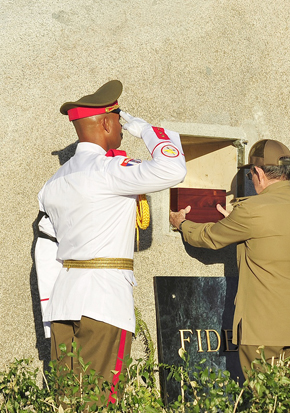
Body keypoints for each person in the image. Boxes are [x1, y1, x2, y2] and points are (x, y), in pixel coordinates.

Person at [35, 80, 187, 403]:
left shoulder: (53, 184)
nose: (121, 126)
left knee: (67, 402)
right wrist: (145, 129)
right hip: (103, 303)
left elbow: (45, 249)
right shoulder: (110, 169)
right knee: (102, 401)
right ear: (106, 123)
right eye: (119, 119)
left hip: (64, 304)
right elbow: (173, 168)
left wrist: (49, 313)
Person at [169, 139, 290, 377]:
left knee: (264, 401)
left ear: (259, 173)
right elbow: (276, 232)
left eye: (251, 174)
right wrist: (237, 221)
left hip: (265, 331)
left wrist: (182, 224)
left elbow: (209, 237)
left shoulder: (252, 209)